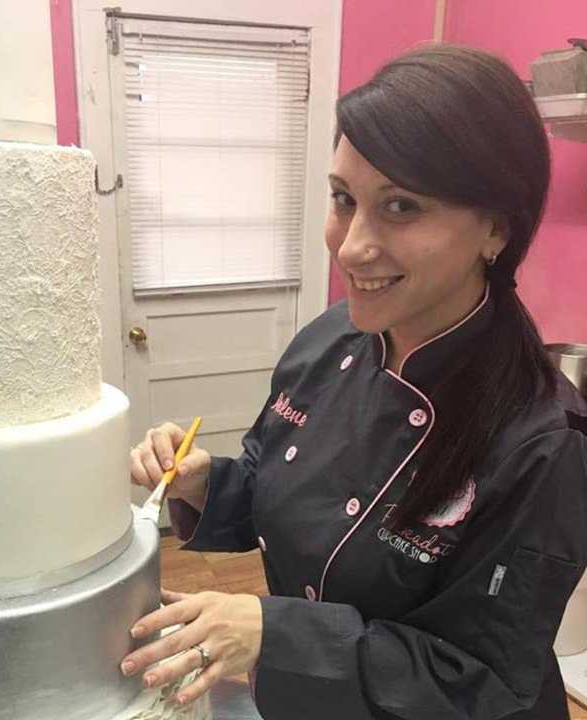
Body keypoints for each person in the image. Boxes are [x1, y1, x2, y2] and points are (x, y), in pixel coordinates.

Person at [123, 43, 587, 719]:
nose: (351, 245)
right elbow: (274, 481)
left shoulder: (543, 442)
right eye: (344, 199)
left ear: (495, 228)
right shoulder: (328, 340)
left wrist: (275, 633)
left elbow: (482, 679)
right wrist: (206, 482)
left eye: (401, 207)